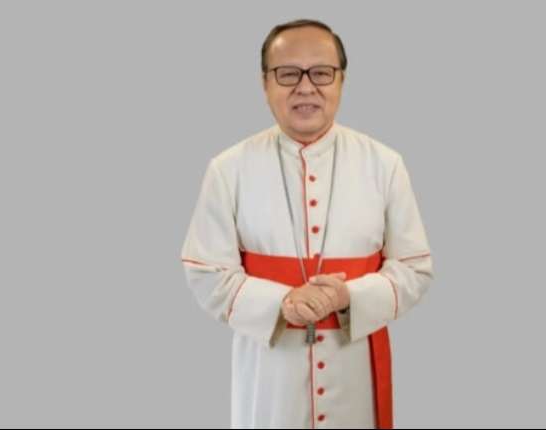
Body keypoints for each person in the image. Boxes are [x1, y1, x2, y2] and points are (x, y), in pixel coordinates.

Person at [180, 18, 435, 429]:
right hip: (269, 375)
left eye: (321, 73)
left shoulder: (385, 164)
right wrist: (281, 304)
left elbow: (414, 268)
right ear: (265, 83)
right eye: (287, 74)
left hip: (356, 371)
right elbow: (205, 271)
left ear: (341, 80)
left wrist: (348, 296)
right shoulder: (228, 169)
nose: (305, 87)